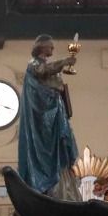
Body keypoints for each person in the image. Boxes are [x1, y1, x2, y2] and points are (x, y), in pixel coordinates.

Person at [18, 34, 80, 200]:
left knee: (61, 146)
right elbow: (43, 71)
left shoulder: (46, 65)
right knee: (46, 150)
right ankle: (45, 185)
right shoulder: (34, 64)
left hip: (55, 111)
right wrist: (64, 62)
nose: (52, 48)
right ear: (41, 47)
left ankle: (63, 189)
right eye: (50, 46)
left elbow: (54, 79)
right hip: (43, 115)